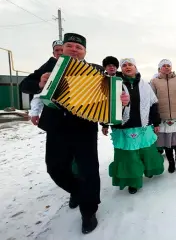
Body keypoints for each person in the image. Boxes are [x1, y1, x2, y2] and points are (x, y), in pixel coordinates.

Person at [19, 33, 130, 234]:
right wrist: (40, 84)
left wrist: (123, 101)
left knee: (88, 169)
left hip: (84, 127)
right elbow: (24, 85)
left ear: (85, 51)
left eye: (78, 47)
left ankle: (89, 211)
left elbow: (110, 98)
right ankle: (78, 191)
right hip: (56, 126)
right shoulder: (51, 66)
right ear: (63, 48)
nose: (74, 49)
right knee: (55, 168)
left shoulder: (96, 70)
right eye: (69, 46)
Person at [107, 58, 164, 194]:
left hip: (143, 126)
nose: (127, 67)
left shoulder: (145, 85)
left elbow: (153, 105)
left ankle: (149, 170)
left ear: (135, 67)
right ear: (121, 68)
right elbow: (106, 106)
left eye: (130, 65)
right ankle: (133, 181)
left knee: (148, 152)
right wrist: (104, 124)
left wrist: (156, 123)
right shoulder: (115, 84)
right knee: (129, 156)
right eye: (124, 65)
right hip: (123, 127)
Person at [151, 59, 176, 173]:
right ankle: (171, 162)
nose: (167, 67)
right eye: (164, 66)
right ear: (160, 68)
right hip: (163, 118)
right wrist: (155, 118)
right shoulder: (154, 81)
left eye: (169, 65)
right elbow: (152, 101)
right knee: (167, 144)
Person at [29, 40, 63, 126]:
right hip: (54, 115)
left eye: (62, 50)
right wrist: (35, 112)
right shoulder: (46, 68)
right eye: (57, 50)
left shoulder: (79, 66)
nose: (60, 52)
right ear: (53, 53)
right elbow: (40, 93)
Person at [100, 56, 121, 136]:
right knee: (118, 139)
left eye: (114, 65)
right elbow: (101, 103)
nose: (112, 67)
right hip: (111, 115)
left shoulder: (123, 78)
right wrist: (104, 125)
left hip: (125, 114)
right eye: (109, 65)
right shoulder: (101, 80)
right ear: (105, 68)